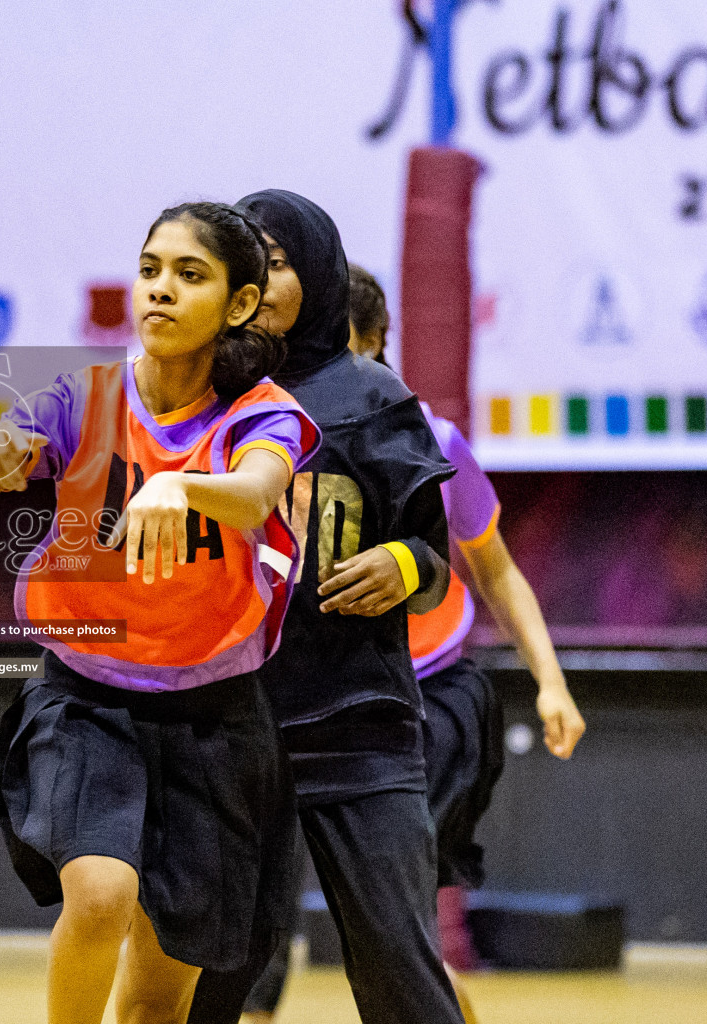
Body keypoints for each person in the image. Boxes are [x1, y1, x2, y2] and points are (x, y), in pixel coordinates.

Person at [0, 202, 319, 1024]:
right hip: (86, 694)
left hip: (212, 716)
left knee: (157, 1000)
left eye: (190, 276)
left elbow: (256, 496)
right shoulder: (83, 398)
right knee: (102, 894)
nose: (161, 291)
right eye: (151, 270)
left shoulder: (263, 413)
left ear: (241, 304)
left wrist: (181, 484)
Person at [187, 191, 464, 1024]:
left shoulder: (373, 398)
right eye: (242, 261)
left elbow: (437, 565)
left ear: (316, 271)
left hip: (359, 731)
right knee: (202, 981)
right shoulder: (191, 397)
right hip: (222, 737)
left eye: (276, 260)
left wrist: (401, 561)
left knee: (400, 975)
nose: (258, 280)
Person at [347, 263, 587, 973]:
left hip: (426, 699)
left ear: (375, 343)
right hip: (311, 698)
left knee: (397, 927)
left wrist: (551, 681)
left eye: (340, 346)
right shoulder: (269, 441)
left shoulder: (436, 443)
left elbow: (498, 570)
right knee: (247, 922)